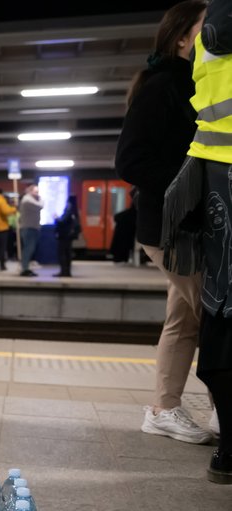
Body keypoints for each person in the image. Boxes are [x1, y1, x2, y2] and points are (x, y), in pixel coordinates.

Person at [116, 0, 215, 446]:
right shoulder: (163, 86)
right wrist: (190, 186)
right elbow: (131, 160)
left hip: (190, 226)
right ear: (181, 38)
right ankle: (217, 409)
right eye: (205, 27)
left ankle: (166, 409)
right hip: (175, 229)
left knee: (185, 319)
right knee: (217, 315)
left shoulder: (197, 82)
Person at [163, 0, 232, 483]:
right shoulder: (160, 85)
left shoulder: (215, 25)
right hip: (212, 174)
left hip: (213, 174)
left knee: (218, 307)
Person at [18, 184, 44, 277]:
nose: (37, 194)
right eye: (35, 192)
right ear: (30, 191)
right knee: (28, 249)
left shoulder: (29, 199)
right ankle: (24, 268)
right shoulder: (27, 200)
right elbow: (40, 206)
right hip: (28, 228)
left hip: (33, 227)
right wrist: (41, 199)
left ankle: (26, 268)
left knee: (30, 249)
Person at [54, 194, 81, 277]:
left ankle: (64, 272)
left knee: (62, 253)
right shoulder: (74, 210)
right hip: (69, 235)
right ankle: (67, 272)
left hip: (64, 235)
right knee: (68, 253)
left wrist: (56, 218)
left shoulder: (69, 208)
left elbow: (62, 221)